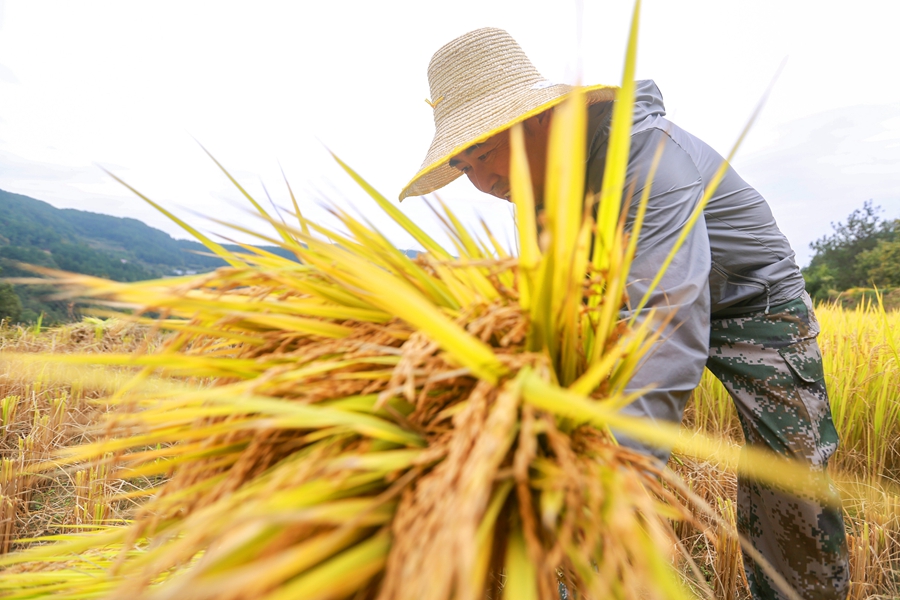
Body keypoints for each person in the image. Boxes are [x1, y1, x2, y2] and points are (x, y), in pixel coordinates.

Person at [398, 27, 850, 600]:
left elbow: (668, 320)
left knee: (791, 476)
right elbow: (556, 309)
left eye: (485, 153)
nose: (483, 182)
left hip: (752, 304)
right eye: (465, 167)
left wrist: (615, 482)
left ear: (538, 118)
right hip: (627, 303)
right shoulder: (532, 192)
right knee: (571, 444)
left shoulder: (647, 158)